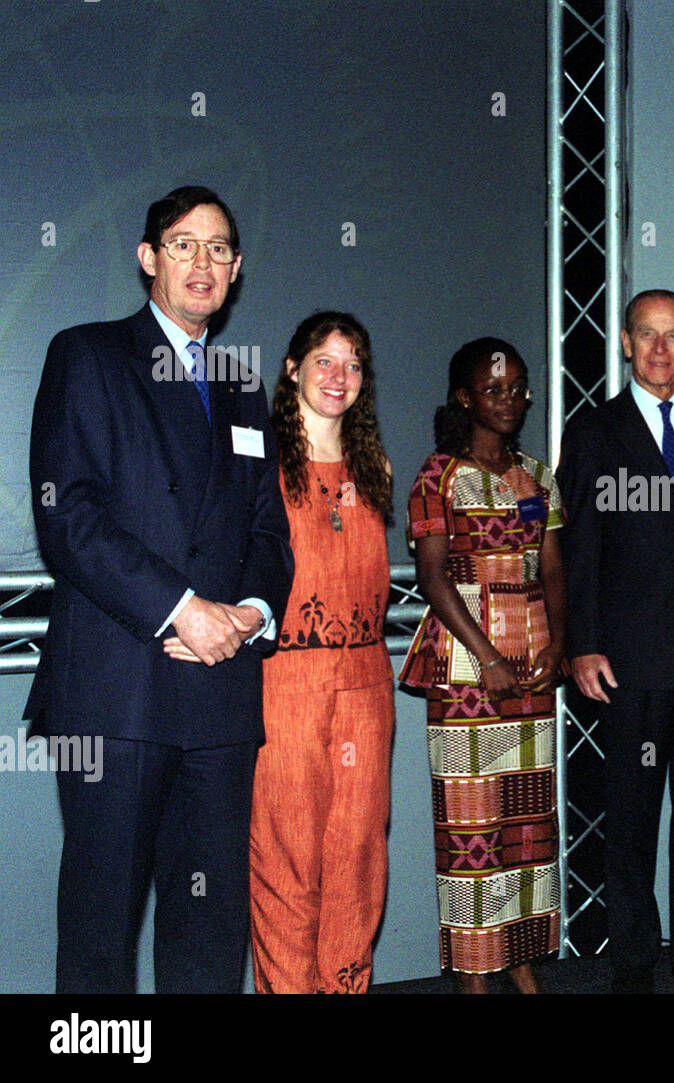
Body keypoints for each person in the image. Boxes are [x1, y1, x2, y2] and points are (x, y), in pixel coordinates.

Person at [26, 185, 293, 993]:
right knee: (103, 926)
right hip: (120, 691)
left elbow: (269, 533)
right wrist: (184, 608)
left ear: (237, 268)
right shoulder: (89, 354)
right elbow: (67, 515)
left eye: (219, 248)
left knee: (210, 927)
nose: (202, 263)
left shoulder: (245, 386)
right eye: (183, 244)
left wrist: (246, 614)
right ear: (148, 259)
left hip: (219, 693)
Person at [169, 312, 394, 992]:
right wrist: (200, 622)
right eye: (323, 360)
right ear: (291, 368)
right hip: (284, 683)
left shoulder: (374, 466)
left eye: (352, 363)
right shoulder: (255, 458)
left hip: (366, 686)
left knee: (357, 859)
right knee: (287, 862)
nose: (338, 376)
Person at [557, 289, 674, 995]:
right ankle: (633, 954)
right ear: (626, 344)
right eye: (647, 335)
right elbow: (577, 547)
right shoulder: (593, 432)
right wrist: (582, 643)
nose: (661, 349)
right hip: (629, 660)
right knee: (632, 809)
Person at [401, 338, 564, 994]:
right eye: (494, 389)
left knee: (526, 824)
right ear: (465, 396)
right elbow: (434, 579)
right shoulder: (436, 474)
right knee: (472, 826)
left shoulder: (536, 474)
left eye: (519, 387)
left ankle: (520, 960)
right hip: (468, 669)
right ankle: (475, 974)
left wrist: (555, 643)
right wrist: (487, 655)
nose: (510, 400)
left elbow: (552, 566)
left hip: (531, 666)